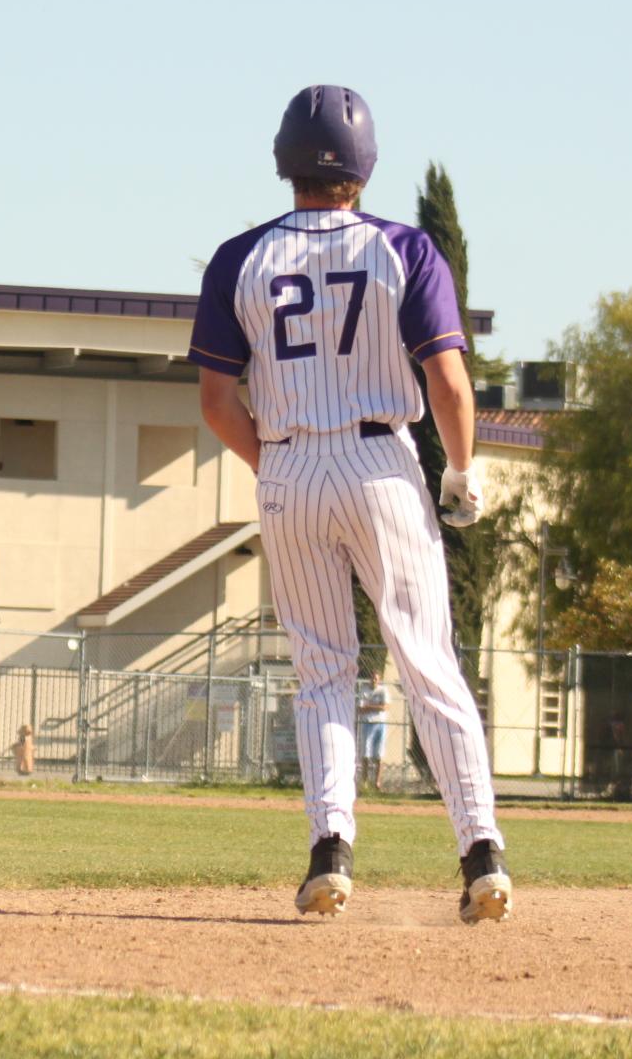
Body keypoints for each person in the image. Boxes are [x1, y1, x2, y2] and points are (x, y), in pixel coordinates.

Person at [189, 84, 510, 924]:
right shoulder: (403, 246)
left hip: (289, 466)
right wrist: (461, 469)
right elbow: (445, 376)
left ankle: (330, 851)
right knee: (425, 659)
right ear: (363, 167)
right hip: (379, 462)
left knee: (323, 671)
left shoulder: (238, 258)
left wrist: (280, 466)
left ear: (283, 159)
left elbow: (218, 403)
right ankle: (481, 855)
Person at [357, 670, 391, 791]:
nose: (374, 681)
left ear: (379, 680)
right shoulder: (364, 690)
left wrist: (369, 706)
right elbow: (360, 709)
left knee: (379, 756)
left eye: (376, 679)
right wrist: (377, 707)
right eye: (372, 678)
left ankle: (377, 782)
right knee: (366, 754)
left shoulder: (383, 690)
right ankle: (365, 782)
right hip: (367, 724)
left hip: (380, 724)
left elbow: (385, 707)